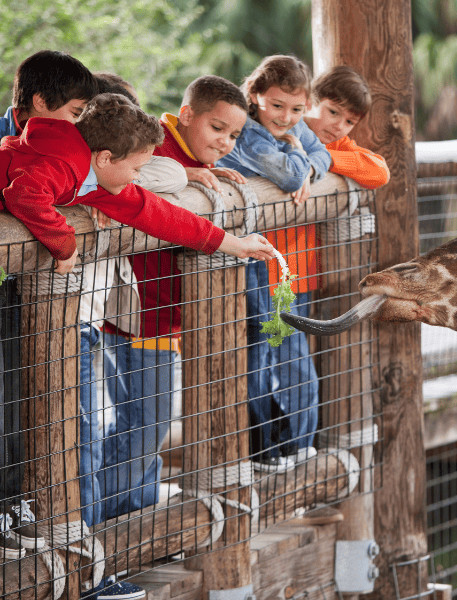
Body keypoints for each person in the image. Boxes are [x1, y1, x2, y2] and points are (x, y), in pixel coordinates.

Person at [0, 94, 275, 598]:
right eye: (135, 168)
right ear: (104, 159)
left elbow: (164, 218)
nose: (138, 178)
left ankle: (90, 553)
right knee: (59, 426)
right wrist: (64, 244)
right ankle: (70, 562)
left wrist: (236, 245)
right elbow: (25, 196)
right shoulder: (63, 163)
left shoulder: (98, 180)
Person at [99, 74, 249, 529]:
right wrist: (187, 176)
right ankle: (113, 521)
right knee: (148, 421)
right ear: (186, 115)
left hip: (164, 316)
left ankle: (135, 512)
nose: (225, 142)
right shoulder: (156, 151)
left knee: (146, 422)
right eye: (216, 128)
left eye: (234, 134)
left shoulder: (186, 156)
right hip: (141, 315)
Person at [0, 49, 97, 563]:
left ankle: (14, 505)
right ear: (42, 101)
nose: (79, 124)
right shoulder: (48, 147)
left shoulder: (27, 141)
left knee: (15, 398)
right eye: (77, 111)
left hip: (11, 287)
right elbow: (26, 197)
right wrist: (65, 243)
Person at [218, 55, 331, 472]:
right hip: (245, 258)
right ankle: (265, 446)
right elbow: (287, 176)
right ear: (255, 97)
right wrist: (301, 158)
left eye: (298, 109)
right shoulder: (248, 133)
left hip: (275, 260)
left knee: (276, 349)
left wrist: (308, 163)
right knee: (261, 352)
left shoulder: (291, 126)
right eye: (277, 106)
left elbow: (324, 156)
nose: (287, 118)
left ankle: (284, 444)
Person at [304, 65, 390, 189]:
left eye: (349, 122)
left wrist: (325, 158)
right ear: (310, 102)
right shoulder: (286, 130)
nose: (339, 126)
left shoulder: (336, 145)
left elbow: (381, 172)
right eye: (333, 112)